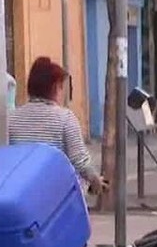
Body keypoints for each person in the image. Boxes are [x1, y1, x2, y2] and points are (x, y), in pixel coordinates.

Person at [8, 56, 107, 194]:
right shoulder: (65, 118)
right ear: (56, 87)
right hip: (55, 193)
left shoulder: (12, 118)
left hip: (21, 191)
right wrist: (96, 181)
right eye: (62, 87)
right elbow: (79, 160)